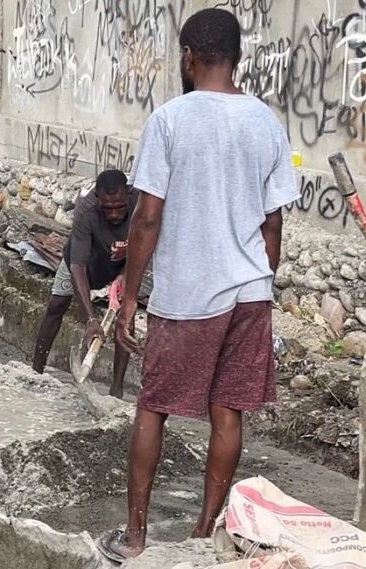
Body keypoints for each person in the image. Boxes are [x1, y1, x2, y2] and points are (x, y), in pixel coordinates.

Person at [100, 8, 298, 562]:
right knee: (227, 410)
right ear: (238, 57)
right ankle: (202, 535)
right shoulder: (266, 121)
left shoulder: (169, 120)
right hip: (251, 290)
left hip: (190, 293)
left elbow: (146, 218)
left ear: (188, 57)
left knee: (153, 407)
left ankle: (136, 537)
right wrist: (260, 281)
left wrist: (130, 295)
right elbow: (274, 222)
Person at [31, 169, 135, 398]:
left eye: (120, 207)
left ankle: (116, 390)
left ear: (128, 194)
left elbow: (147, 242)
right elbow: (77, 266)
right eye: (108, 209)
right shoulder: (86, 211)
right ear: (98, 198)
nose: (115, 214)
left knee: (127, 319)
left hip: (121, 265)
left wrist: (125, 274)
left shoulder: (141, 203)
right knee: (56, 306)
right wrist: (90, 319)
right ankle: (35, 372)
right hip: (83, 263)